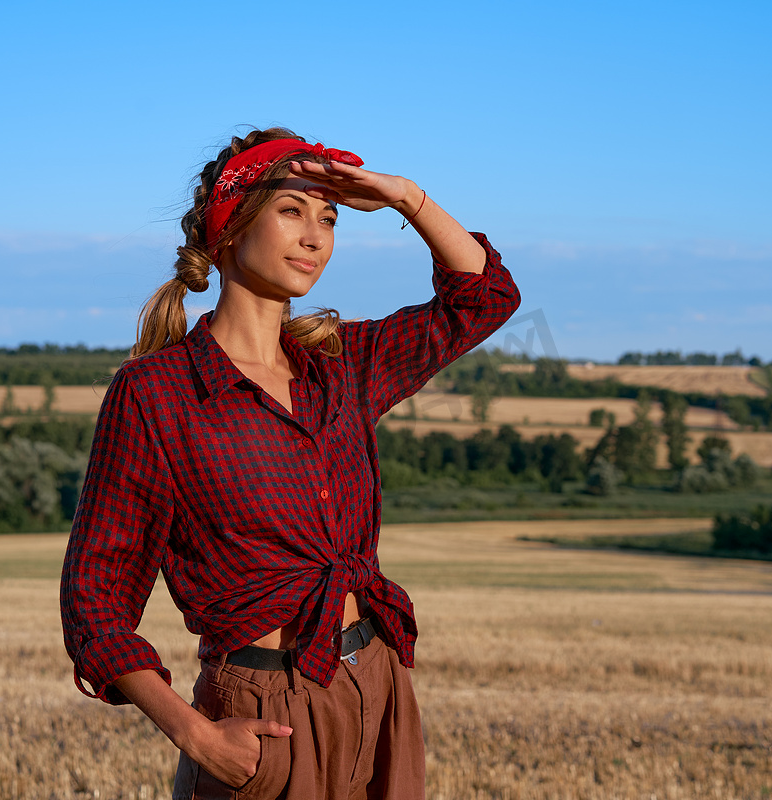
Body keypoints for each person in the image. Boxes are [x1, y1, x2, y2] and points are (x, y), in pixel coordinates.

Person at [60, 127, 520, 799]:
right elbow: (95, 602)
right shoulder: (157, 395)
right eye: (292, 210)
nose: (316, 237)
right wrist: (195, 734)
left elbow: (484, 300)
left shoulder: (343, 366)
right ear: (231, 225)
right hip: (262, 712)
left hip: (379, 686)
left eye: (329, 218)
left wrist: (404, 199)